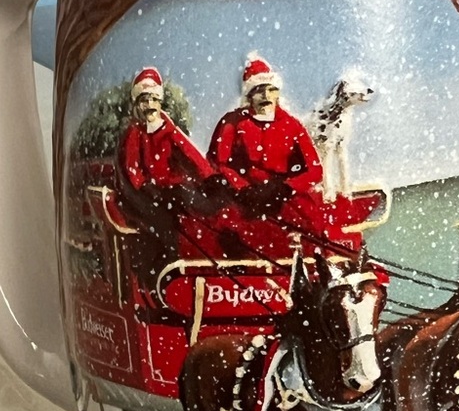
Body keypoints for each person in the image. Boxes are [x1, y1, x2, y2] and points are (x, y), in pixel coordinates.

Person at [116, 67, 213, 268]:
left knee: (196, 207)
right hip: (143, 194)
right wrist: (146, 188)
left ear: (160, 102)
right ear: (137, 104)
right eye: (144, 100)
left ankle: (206, 249)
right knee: (163, 221)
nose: (149, 105)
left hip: (167, 189)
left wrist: (209, 176)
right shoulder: (135, 132)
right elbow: (132, 169)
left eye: (153, 100)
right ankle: (166, 264)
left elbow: (191, 155)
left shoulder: (168, 130)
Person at [208, 54, 323, 218]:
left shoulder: (292, 125)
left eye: (271, 90)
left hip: (282, 197)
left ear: (277, 94)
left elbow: (315, 170)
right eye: (258, 91)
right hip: (242, 197)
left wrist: (287, 188)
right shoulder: (232, 122)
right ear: (249, 96)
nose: (266, 96)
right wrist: (243, 188)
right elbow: (218, 163)